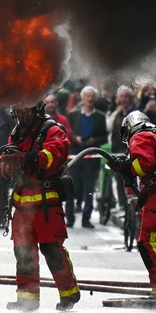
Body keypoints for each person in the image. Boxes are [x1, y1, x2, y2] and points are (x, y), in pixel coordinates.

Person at [1, 101, 80, 312]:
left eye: (24, 109)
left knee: (52, 250)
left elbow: (54, 155)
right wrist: (8, 165)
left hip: (46, 203)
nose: (21, 114)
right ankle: (27, 299)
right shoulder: (17, 133)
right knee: (23, 252)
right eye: (17, 110)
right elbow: (10, 161)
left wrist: (29, 158)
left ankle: (69, 293)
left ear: (37, 110)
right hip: (22, 205)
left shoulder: (52, 130)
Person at [107, 111, 156, 298]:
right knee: (154, 242)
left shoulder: (140, 136)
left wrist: (125, 167)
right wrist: (123, 166)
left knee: (148, 241)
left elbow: (143, 164)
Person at [65, 86, 108, 228]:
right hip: (75, 158)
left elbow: (104, 137)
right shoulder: (73, 115)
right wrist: (75, 138)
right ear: (82, 98)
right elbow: (67, 134)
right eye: (87, 96)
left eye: (92, 96)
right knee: (71, 189)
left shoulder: (100, 117)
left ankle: (86, 218)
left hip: (91, 160)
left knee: (89, 190)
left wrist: (93, 141)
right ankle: (69, 218)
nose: (89, 99)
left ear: (95, 99)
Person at [106, 85, 137, 208]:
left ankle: (133, 202)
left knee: (131, 177)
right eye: (122, 96)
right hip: (117, 149)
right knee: (119, 178)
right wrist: (115, 113)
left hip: (131, 150)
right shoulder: (116, 113)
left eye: (126, 96)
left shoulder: (135, 112)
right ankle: (122, 203)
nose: (124, 99)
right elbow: (108, 128)